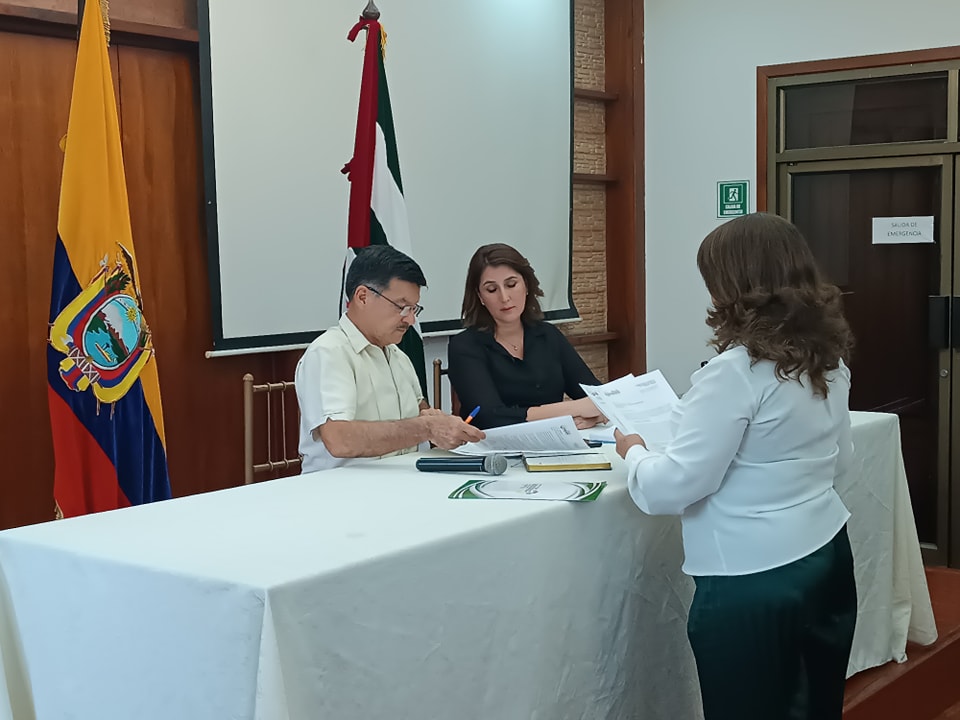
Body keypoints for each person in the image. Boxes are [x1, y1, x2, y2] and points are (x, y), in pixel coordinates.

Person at [615, 213, 857, 720]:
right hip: (827, 554)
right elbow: (842, 461)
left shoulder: (736, 372)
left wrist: (634, 453)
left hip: (752, 577)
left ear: (735, 286)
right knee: (815, 704)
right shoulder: (828, 358)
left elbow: (673, 487)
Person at [295, 245, 484, 473]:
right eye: (402, 307)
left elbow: (422, 416)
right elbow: (339, 440)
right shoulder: (329, 352)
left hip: (405, 481)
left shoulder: (398, 357)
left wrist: (440, 425)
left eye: (414, 309)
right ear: (363, 297)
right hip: (342, 489)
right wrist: (426, 427)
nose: (410, 320)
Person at [447, 243, 604, 430]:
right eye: (492, 290)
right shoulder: (465, 346)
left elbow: (597, 396)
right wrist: (571, 410)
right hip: (495, 446)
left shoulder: (548, 335)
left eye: (511, 285)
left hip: (554, 442)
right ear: (480, 296)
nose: (504, 297)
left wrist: (594, 416)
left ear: (527, 285)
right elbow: (489, 416)